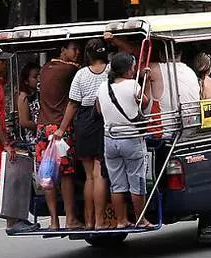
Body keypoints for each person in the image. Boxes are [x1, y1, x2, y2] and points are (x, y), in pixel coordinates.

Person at [0, 47, 39, 234]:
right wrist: (7, 143)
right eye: (0, 61)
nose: (4, 64)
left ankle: (16, 219)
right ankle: (12, 221)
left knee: (9, 176)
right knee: (2, 179)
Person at [54, 39, 110, 230]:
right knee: (99, 173)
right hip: (104, 120)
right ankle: (101, 221)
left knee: (89, 177)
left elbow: (72, 104)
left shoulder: (80, 74)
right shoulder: (111, 71)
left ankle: (88, 221)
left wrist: (61, 129)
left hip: (83, 122)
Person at [97, 52, 154, 229]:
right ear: (129, 69)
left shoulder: (103, 87)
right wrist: (147, 82)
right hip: (130, 139)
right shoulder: (132, 85)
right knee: (136, 180)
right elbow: (145, 104)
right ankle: (140, 219)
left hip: (110, 139)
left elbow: (99, 110)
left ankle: (121, 221)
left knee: (117, 183)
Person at [36, 40, 82, 230]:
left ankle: (54, 221)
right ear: (63, 51)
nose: (77, 53)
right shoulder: (71, 70)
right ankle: (70, 218)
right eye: (74, 49)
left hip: (42, 129)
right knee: (66, 175)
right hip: (60, 129)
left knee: (47, 175)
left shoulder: (46, 68)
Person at [16, 62, 40, 149]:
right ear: (26, 81)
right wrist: (41, 128)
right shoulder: (23, 97)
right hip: (33, 138)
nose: (38, 79)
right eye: (35, 77)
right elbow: (24, 122)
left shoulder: (39, 94)